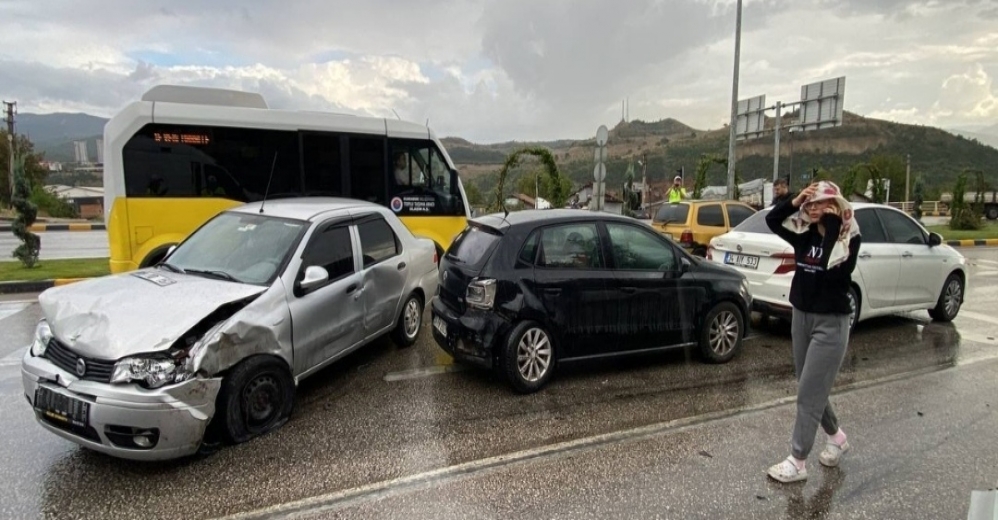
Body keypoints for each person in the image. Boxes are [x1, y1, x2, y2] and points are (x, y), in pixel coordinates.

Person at [763, 180, 862, 483]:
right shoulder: (803, 237)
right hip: (801, 318)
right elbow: (771, 220)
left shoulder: (847, 240)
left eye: (821, 203)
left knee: (808, 393)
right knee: (810, 387)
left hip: (830, 324)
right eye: (811, 204)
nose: (814, 208)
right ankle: (837, 437)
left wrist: (832, 220)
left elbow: (837, 270)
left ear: (835, 206)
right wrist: (795, 201)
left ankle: (798, 460)